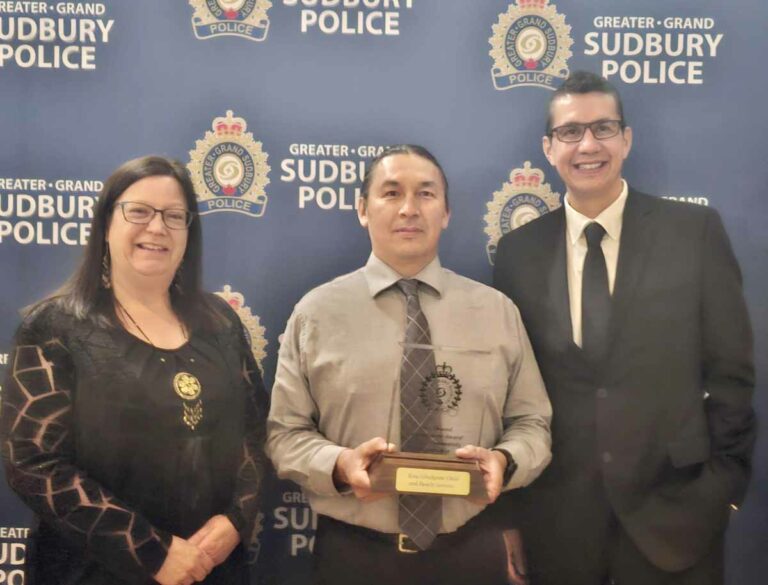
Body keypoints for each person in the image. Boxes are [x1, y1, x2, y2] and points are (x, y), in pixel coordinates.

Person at [493, 71, 755, 585]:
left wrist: (721, 491)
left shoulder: (693, 233)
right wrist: (511, 517)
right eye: (570, 131)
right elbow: (505, 393)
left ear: (627, 139)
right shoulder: (517, 254)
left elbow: (732, 374)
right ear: (549, 148)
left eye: (603, 128)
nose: (588, 145)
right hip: (557, 524)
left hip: (678, 519)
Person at [267, 144, 552, 585]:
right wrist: (340, 464)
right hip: (354, 557)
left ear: (447, 212)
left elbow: (532, 423)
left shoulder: (497, 312)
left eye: (425, 194)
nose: (409, 209)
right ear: (363, 209)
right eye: (391, 193)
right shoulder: (316, 314)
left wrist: (504, 461)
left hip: (471, 554)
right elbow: (285, 435)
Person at [1, 156, 268, 585]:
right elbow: (33, 464)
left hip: (212, 567)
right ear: (106, 224)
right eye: (139, 211)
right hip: (91, 572)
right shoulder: (54, 328)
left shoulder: (220, 321)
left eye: (174, 216)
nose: (157, 227)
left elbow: (255, 433)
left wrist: (237, 519)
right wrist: (152, 551)